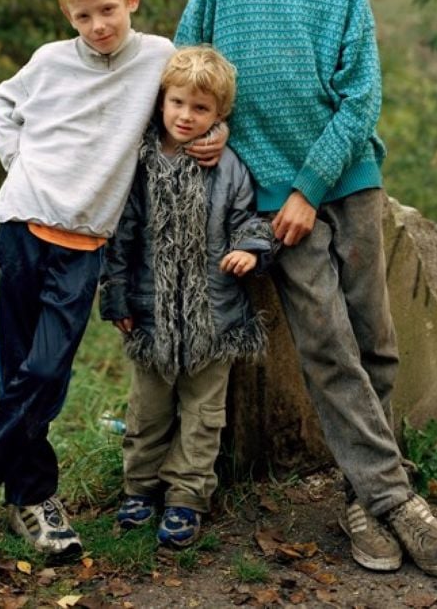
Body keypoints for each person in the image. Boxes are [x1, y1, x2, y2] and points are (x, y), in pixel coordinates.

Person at [174, 0, 437, 578]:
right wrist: (212, 132)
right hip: (269, 198)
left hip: (347, 182)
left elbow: (361, 97)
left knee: (376, 340)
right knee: (327, 340)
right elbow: (186, 63)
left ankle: (361, 497)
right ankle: (396, 497)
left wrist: (313, 186)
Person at [0, 0, 223, 555]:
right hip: (23, 226)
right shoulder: (49, 62)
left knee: (47, 373)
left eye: (108, 11)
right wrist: (18, 164)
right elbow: (4, 104)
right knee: (19, 367)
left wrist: (214, 129)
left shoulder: (157, 57)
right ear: (70, 19)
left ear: (132, 0)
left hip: (86, 241)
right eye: (83, 17)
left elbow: (191, 96)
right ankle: (33, 501)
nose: (98, 26)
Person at [99, 45, 276, 549]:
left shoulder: (229, 168)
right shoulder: (140, 165)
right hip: (151, 313)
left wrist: (249, 249)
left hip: (215, 318)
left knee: (203, 415)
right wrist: (118, 299)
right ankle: (139, 488)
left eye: (200, 109)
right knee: (147, 410)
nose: (186, 116)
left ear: (219, 115)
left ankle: (186, 498)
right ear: (161, 102)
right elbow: (122, 237)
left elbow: (248, 219)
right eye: (177, 103)